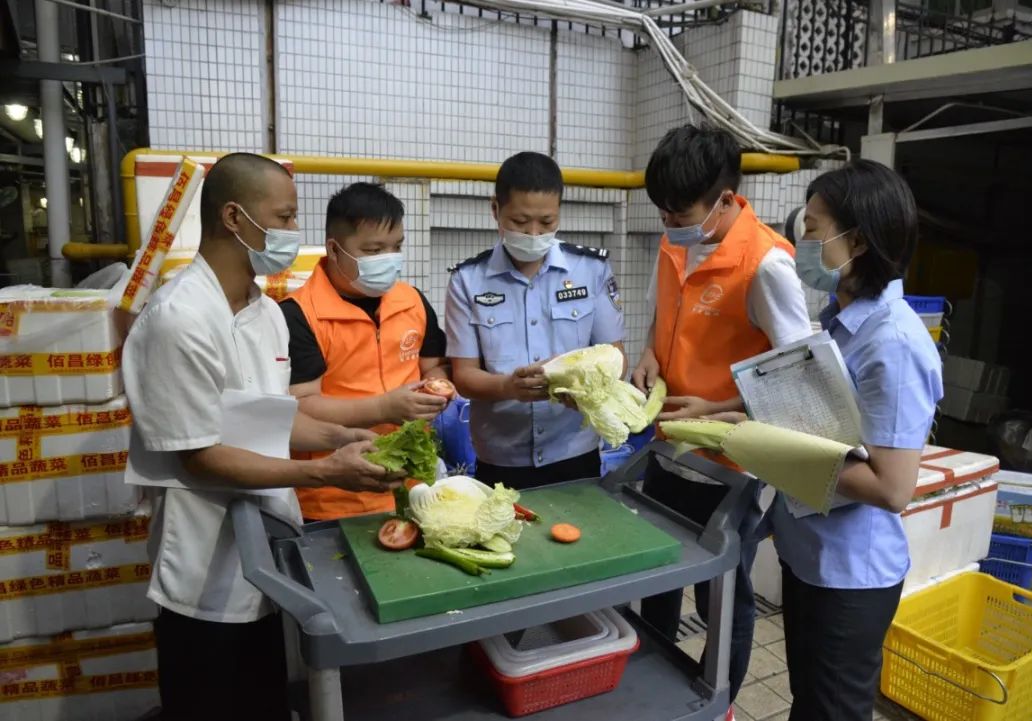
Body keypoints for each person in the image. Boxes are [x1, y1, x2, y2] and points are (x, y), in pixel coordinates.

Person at [123, 153, 402, 721]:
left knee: (265, 700)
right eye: (286, 216)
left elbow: (274, 417)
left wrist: (346, 436)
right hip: (203, 565)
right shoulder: (178, 319)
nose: (293, 233)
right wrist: (327, 470)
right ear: (233, 217)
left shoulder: (266, 311)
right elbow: (200, 456)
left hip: (265, 555)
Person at [630, 124, 812, 710]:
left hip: (731, 463)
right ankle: (651, 689)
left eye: (678, 211)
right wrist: (648, 357)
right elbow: (666, 320)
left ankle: (722, 702)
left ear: (727, 200)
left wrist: (719, 408)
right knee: (656, 578)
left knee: (722, 598)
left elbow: (798, 381)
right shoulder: (676, 240)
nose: (667, 223)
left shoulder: (766, 266)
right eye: (661, 211)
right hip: (669, 448)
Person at [759, 159, 941, 720]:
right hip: (809, 557)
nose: (801, 242)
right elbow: (812, 412)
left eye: (812, 228)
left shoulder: (894, 344)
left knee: (834, 711)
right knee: (810, 705)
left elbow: (892, 487)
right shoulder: (840, 320)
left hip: (849, 576)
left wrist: (769, 449)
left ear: (855, 240)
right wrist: (724, 411)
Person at [444, 151, 625, 488]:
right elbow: (463, 376)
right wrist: (506, 387)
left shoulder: (592, 269)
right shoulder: (467, 280)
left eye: (546, 222)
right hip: (500, 459)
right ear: (495, 210)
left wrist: (582, 387)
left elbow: (614, 356)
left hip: (575, 451)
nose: (532, 232)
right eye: (519, 221)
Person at [281, 182, 450, 520]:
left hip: (411, 484)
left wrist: (438, 389)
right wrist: (384, 408)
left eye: (396, 246)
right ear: (334, 248)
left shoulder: (412, 301)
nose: (388, 259)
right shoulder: (299, 314)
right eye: (374, 250)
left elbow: (432, 366)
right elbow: (300, 405)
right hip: (334, 496)